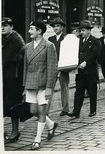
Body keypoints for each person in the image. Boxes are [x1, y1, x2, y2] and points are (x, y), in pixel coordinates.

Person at [23, 21, 58, 150]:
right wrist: (24, 86)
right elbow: (25, 68)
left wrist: (50, 87)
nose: (29, 31)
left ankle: (37, 139)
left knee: (42, 110)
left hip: (43, 84)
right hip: (31, 83)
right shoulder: (27, 46)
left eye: (31, 29)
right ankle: (51, 124)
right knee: (33, 110)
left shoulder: (49, 46)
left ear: (39, 31)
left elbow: (52, 68)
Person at [68, 20, 100, 118]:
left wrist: (86, 62)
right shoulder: (78, 41)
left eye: (83, 30)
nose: (81, 32)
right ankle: (76, 111)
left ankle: (93, 110)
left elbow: (95, 53)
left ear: (89, 31)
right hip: (80, 72)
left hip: (90, 72)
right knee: (78, 91)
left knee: (92, 91)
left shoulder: (95, 41)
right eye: (81, 30)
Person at [2, 17, 25, 143]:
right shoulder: (5, 38)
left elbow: (4, 59)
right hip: (7, 77)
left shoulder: (15, 39)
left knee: (13, 105)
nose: (2, 27)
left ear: (11, 27)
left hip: (14, 78)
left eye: (5, 25)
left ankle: (15, 132)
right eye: (1, 25)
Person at [48, 18, 70, 116]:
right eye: (54, 26)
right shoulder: (50, 39)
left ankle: (65, 109)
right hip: (53, 66)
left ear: (62, 27)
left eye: (58, 26)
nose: (55, 28)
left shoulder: (66, 38)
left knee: (64, 87)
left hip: (63, 66)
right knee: (49, 88)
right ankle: (46, 110)